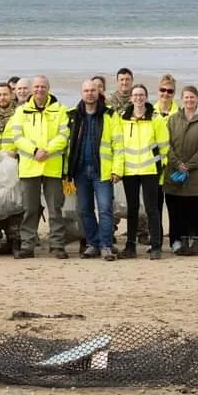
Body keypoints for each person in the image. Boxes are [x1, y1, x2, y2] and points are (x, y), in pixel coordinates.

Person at [11, 75, 71, 259]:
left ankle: (57, 245)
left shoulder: (59, 110)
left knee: (55, 208)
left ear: (49, 88)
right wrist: (35, 150)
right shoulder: (21, 112)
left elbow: (64, 134)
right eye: (36, 87)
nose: (39, 90)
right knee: (30, 209)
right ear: (31, 89)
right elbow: (17, 137)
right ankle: (28, 245)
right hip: (30, 167)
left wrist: (47, 150)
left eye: (43, 86)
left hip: (52, 166)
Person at [65, 79, 124, 261]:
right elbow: (67, 145)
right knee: (84, 210)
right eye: (86, 90)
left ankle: (106, 245)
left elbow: (118, 144)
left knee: (106, 209)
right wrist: (67, 172)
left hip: (103, 171)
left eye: (93, 90)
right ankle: (93, 243)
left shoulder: (109, 115)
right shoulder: (73, 116)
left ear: (98, 92)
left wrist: (117, 170)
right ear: (82, 93)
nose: (90, 93)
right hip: (80, 170)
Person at [164, 86, 198, 256]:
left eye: (192, 97)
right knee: (180, 208)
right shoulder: (173, 119)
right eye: (186, 97)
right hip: (176, 170)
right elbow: (166, 144)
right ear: (181, 99)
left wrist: (190, 165)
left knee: (197, 208)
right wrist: (178, 163)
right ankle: (183, 241)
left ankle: (197, 242)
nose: (189, 101)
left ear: (197, 99)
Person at [120, 85, 169, 259]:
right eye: (135, 95)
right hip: (130, 171)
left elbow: (164, 146)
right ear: (131, 99)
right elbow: (120, 145)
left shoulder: (156, 119)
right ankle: (130, 246)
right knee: (132, 209)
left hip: (150, 170)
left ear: (146, 97)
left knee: (152, 208)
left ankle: (156, 246)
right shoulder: (123, 119)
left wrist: (162, 167)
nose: (138, 98)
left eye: (141, 95)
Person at [0, 82, 23, 255]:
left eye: (5, 94)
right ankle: (5, 240)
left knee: (15, 203)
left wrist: (17, 152)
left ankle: (16, 241)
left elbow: (27, 136)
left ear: (12, 95)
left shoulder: (20, 114)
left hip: (15, 165)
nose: (2, 98)